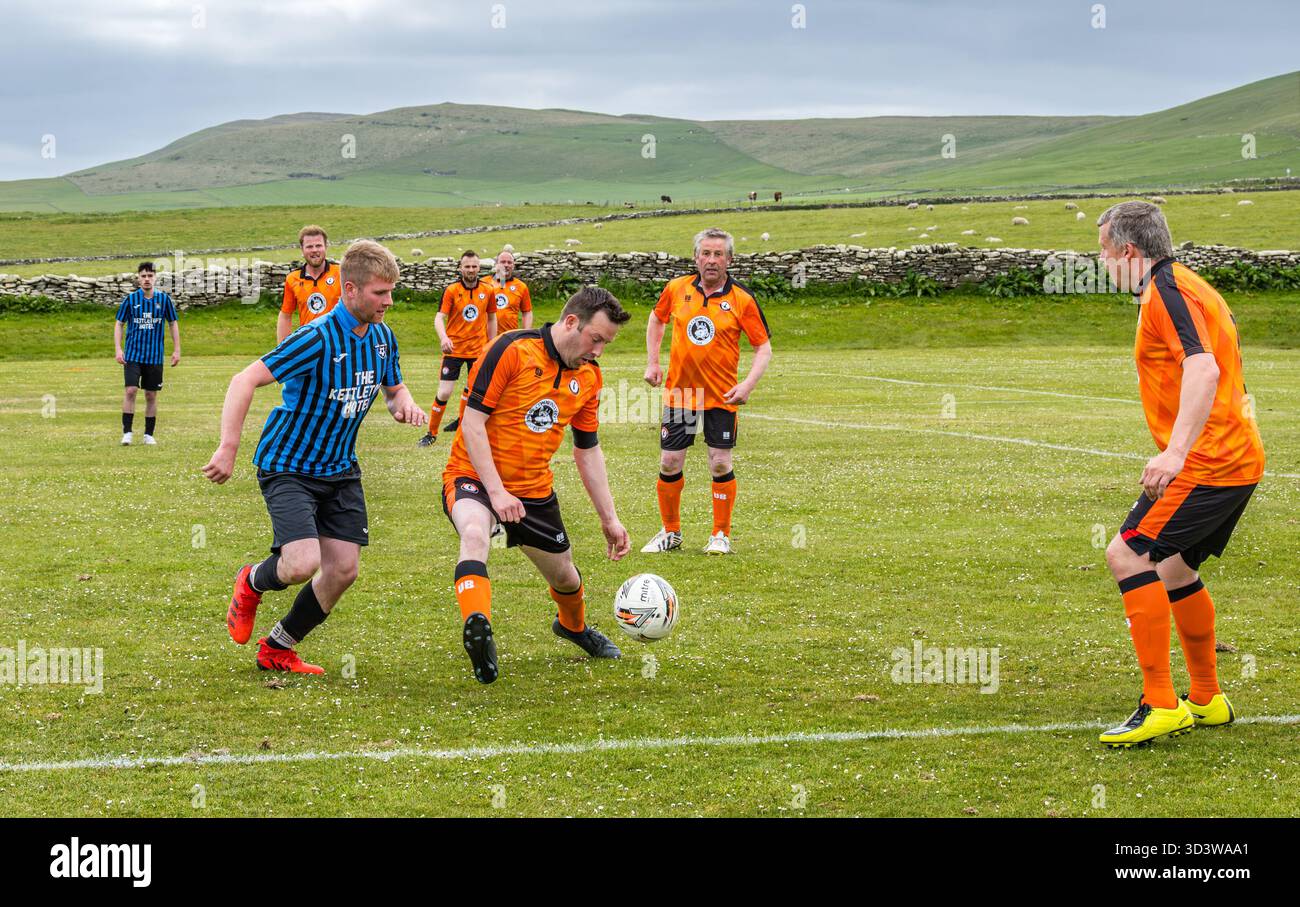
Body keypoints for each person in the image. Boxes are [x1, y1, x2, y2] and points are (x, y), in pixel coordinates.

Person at [203, 240, 426, 674]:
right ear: (350, 291)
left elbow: (394, 388)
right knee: (303, 563)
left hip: (340, 469)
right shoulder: (316, 337)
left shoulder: (382, 339)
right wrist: (228, 447)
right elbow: (243, 380)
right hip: (289, 466)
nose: (389, 301)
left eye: (391, 291)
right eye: (380, 293)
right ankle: (251, 582)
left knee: (343, 571)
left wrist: (404, 405)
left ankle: (279, 647)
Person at [1096, 201, 1265, 747]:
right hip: (1233, 457)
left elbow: (1203, 366)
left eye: (1103, 251)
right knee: (1171, 568)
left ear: (1127, 251)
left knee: (1126, 553)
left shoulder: (1170, 292)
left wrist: (1175, 453)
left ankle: (1160, 705)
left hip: (1209, 461)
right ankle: (1208, 698)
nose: (1101, 263)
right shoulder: (1180, 284)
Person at [441, 287, 632, 684]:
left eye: (605, 344)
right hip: (473, 476)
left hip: (533, 491)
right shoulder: (509, 349)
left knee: (565, 578)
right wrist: (496, 493)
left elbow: (587, 451)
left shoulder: (590, 377)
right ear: (571, 322)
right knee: (476, 534)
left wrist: (609, 518)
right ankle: (478, 629)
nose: (598, 350)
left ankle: (573, 628)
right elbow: (472, 424)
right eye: (596, 339)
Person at [641, 228, 772, 554]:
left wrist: (747, 385)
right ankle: (670, 533)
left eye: (718, 255)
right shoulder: (676, 289)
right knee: (670, 462)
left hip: (721, 398)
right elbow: (657, 320)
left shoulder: (741, 299)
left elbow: (763, 348)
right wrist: (653, 362)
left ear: (729, 259)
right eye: (706, 254)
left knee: (719, 463)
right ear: (696, 257)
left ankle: (720, 535)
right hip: (682, 396)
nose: (712, 260)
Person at [419, 250, 495, 446]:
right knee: (444, 392)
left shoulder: (488, 290)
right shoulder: (451, 290)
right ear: (461, 268)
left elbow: (492, 318)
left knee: (472, 391)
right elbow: (439, 318)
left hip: (478, 350)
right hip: (454, 350)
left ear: (479, 267)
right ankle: (431, 433)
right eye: (467, 266)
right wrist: (444, 337)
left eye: (474, 266)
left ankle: (463, 429)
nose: (471, 270)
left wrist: (492, 344)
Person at [114, 261, 180, 445]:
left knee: (151, 395)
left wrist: (176, 350)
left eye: (150, 276)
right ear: (138, 278)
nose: (147, 279)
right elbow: (119, 324)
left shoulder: (164, 300)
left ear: (155, 278)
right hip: (133, 355)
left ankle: (148, 434)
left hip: (154, 356)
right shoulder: (131, 300)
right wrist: (119, 349)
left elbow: (173, 323)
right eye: (143, 276)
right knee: (131, 390)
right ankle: (127, 432)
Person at [278, 225, 341, 342]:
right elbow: (286, 315)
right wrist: (283, 349)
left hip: (338, 342)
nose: (314, 250)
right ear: (302, 249)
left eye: (318, 245)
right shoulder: (292, 279)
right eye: (309, 246)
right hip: (309, 344)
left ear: (325, 247)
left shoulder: (341, 273)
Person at [486, 248, 533, 333]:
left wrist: (526, 333)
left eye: (509, 262)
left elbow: (527, 312)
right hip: (486, 338)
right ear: (496, 264)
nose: (506, 265)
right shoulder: (484, 283)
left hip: (510, 338)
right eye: (503, 262)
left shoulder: (521, 286)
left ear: (513, 265)